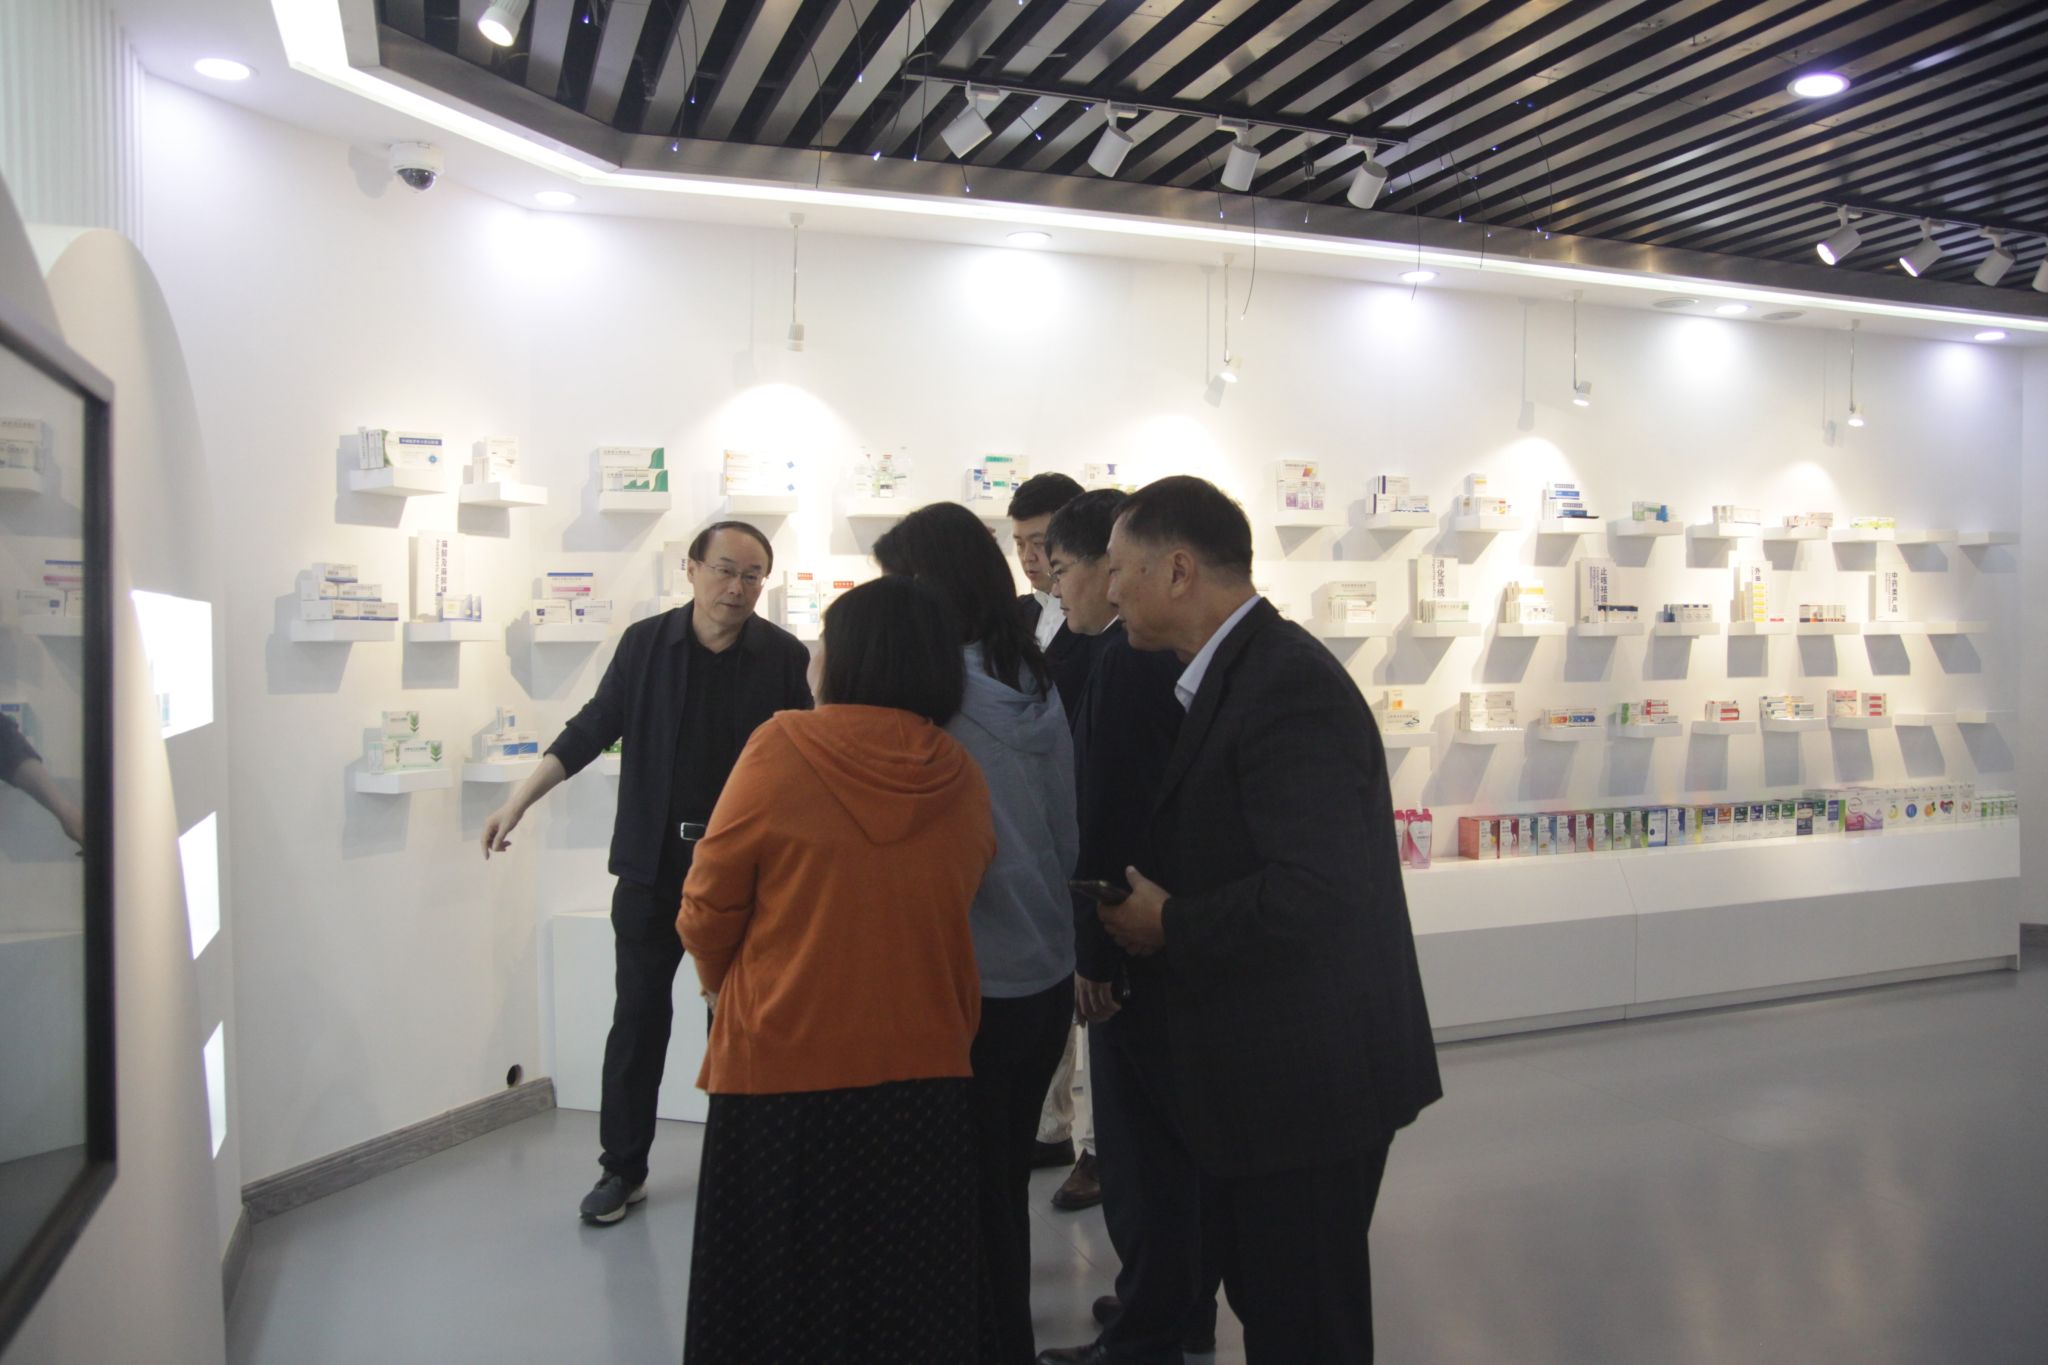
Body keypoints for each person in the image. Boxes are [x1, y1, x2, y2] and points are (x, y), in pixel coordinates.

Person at [1094, 476, 1442, 1364]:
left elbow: (1321, 889)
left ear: (1178, 570)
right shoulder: (1234, 675)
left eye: (1121, 569)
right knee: (1276, 1301)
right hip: (1271, 1076)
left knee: (1305, 1321)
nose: (1108, 589)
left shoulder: (1286, 686)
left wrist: (1173, 922)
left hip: (1311, 1083)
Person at [677, 574, 993, 1364]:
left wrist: (719, 982)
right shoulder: (959, 771)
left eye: (825, 638)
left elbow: (709, 898)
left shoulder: (783, 745)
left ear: (852, 656)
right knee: (904, 1296)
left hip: (785, 1063)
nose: (813, 653)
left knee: (774, 1297)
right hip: (923, 1068)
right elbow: (962, 888)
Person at [480, 522, 812, 1226]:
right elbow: (592, 725)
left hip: (746, 875)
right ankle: (621, 1168)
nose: (737, 587)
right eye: (724, 569)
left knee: (740, 1023)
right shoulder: (644, 644)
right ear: (690, 568)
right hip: (652, 867)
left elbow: (803, 762)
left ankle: (741, 1167)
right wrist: (518, 800)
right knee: (637, 1018)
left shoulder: (782, 657)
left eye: (753, 575)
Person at [875, 502, 1078, 1365]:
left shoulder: (934, 702)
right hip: (1041, 971)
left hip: (969, 986)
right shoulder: (1031, 674)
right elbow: (1065, 832)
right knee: (996, 1188)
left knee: (955, 1198)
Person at [1036, 491, 1217, 1365]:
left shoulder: (1124, 662)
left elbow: (1108, 817)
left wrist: (1094, 952)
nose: (1061, 587)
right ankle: (1169, 1305)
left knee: (1144, 1155)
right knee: (1167, 1146)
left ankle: (1150, 1329)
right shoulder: (1145, 657)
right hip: (1165, 933)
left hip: (1133, 938)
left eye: (1065, 568)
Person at [1007, 470, 1100, 1204]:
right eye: (1020, 544)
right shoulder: (1014, 618)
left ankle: (1100, 1145)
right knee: (1048, 979)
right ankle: (1051, 1127)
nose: (1032, 558)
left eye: (1043, 543)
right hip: (1033, 823)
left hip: (1088, 818)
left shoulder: (1106, 626)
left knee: (1096, 987)